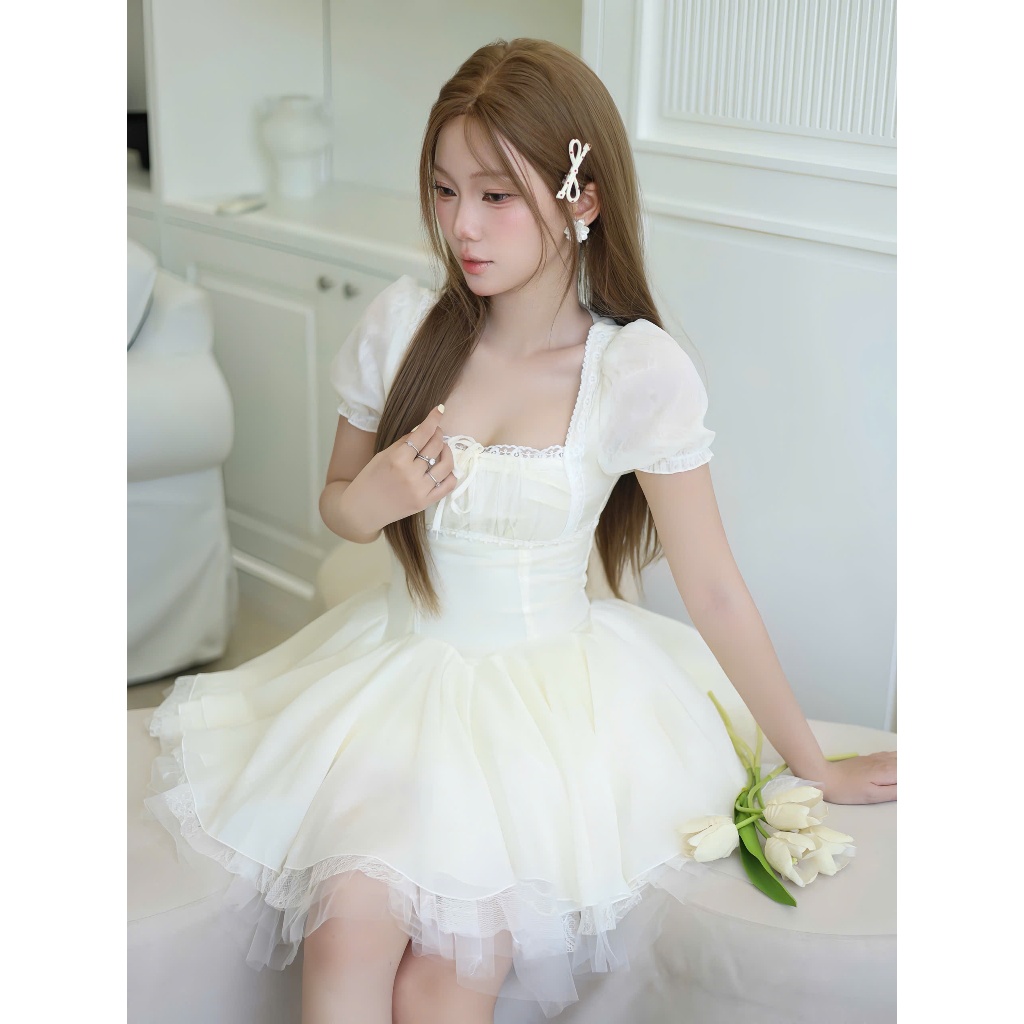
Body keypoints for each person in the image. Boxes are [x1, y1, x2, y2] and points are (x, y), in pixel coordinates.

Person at [146, 37, 896, 1024]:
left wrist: (813, 762)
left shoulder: (634, 372)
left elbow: (713, 586)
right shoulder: (404, 325)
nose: (461, 223)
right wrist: (374, 498)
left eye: (496, 194)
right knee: (346, 929)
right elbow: (338, 504)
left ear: (582, 199)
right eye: (444, 189)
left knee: (453, 966)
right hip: (394, 678)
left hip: (545, 715)